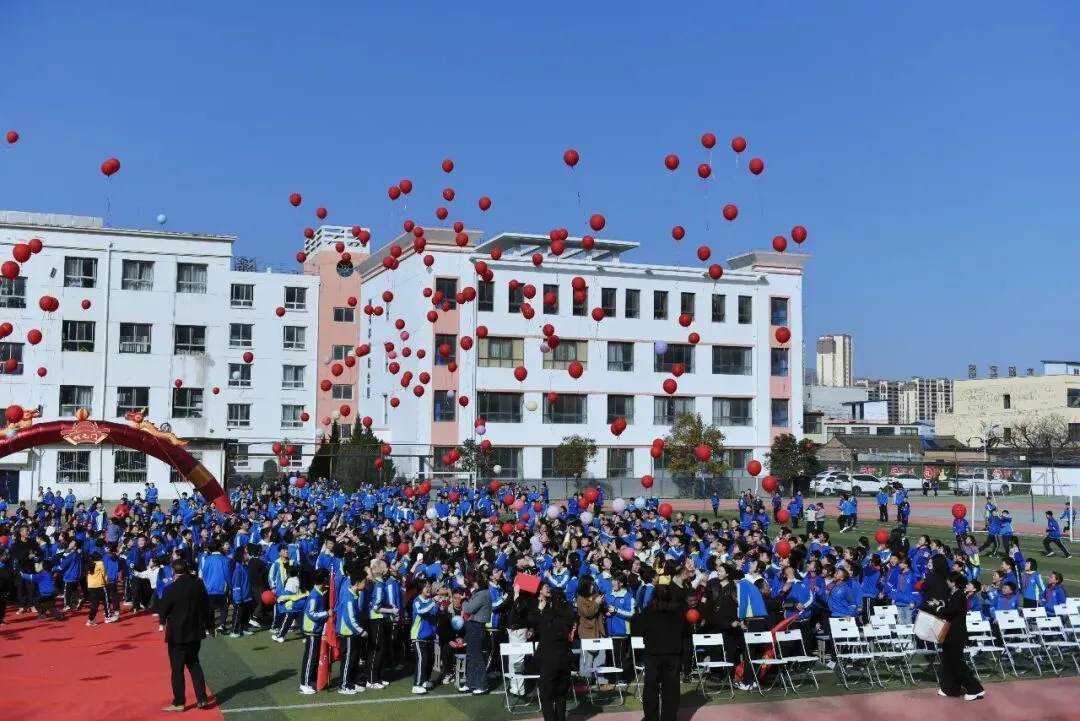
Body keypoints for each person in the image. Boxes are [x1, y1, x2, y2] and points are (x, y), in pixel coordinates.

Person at [158, 558, 213, 712]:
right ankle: (202, 698)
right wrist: (210, 626)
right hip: (195, 632)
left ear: (173, 572)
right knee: (194, 664)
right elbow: (207, 607)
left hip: (177, 634)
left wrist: (163, 619)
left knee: (177, 669)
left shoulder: (170, 589)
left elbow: (163, 610)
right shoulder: (198, 584)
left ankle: (179, 702)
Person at [926, 571, 985, 701]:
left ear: (954, 583)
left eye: (949, 580)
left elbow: (949, 611)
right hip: (950, 634)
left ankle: (976, 688)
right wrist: (939, 605)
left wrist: (937, 608)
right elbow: (949, 608)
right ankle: (951, 689)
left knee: (957, 663)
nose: (947, 582)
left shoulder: (959, 595)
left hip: (955, 635)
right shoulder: (955, 594)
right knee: (948, 662)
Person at [637, 583, 688, 721]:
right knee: (671, 689)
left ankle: (651, 718)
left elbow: (639, 630)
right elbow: (686, 631)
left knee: (651, 688)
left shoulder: (647, 611)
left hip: (653, 654)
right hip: (673, 654)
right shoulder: (679, 611)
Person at [528, 584, 575, 721]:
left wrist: (539, 609)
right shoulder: (568, 616)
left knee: (547, 697)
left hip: (549, 661)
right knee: (561, 696)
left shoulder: (547, 615)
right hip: (565, 659)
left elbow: (531, 620)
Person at [460, 569, 493, 694]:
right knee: (471, 656)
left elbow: (469, 608)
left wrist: (463, 601)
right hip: (473, 626)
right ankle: (470, 683)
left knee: (477, 657)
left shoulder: (483, 594)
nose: (472, 584)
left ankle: (482, 684)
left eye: (473, 582)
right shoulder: (481, 593)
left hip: (477, 626)